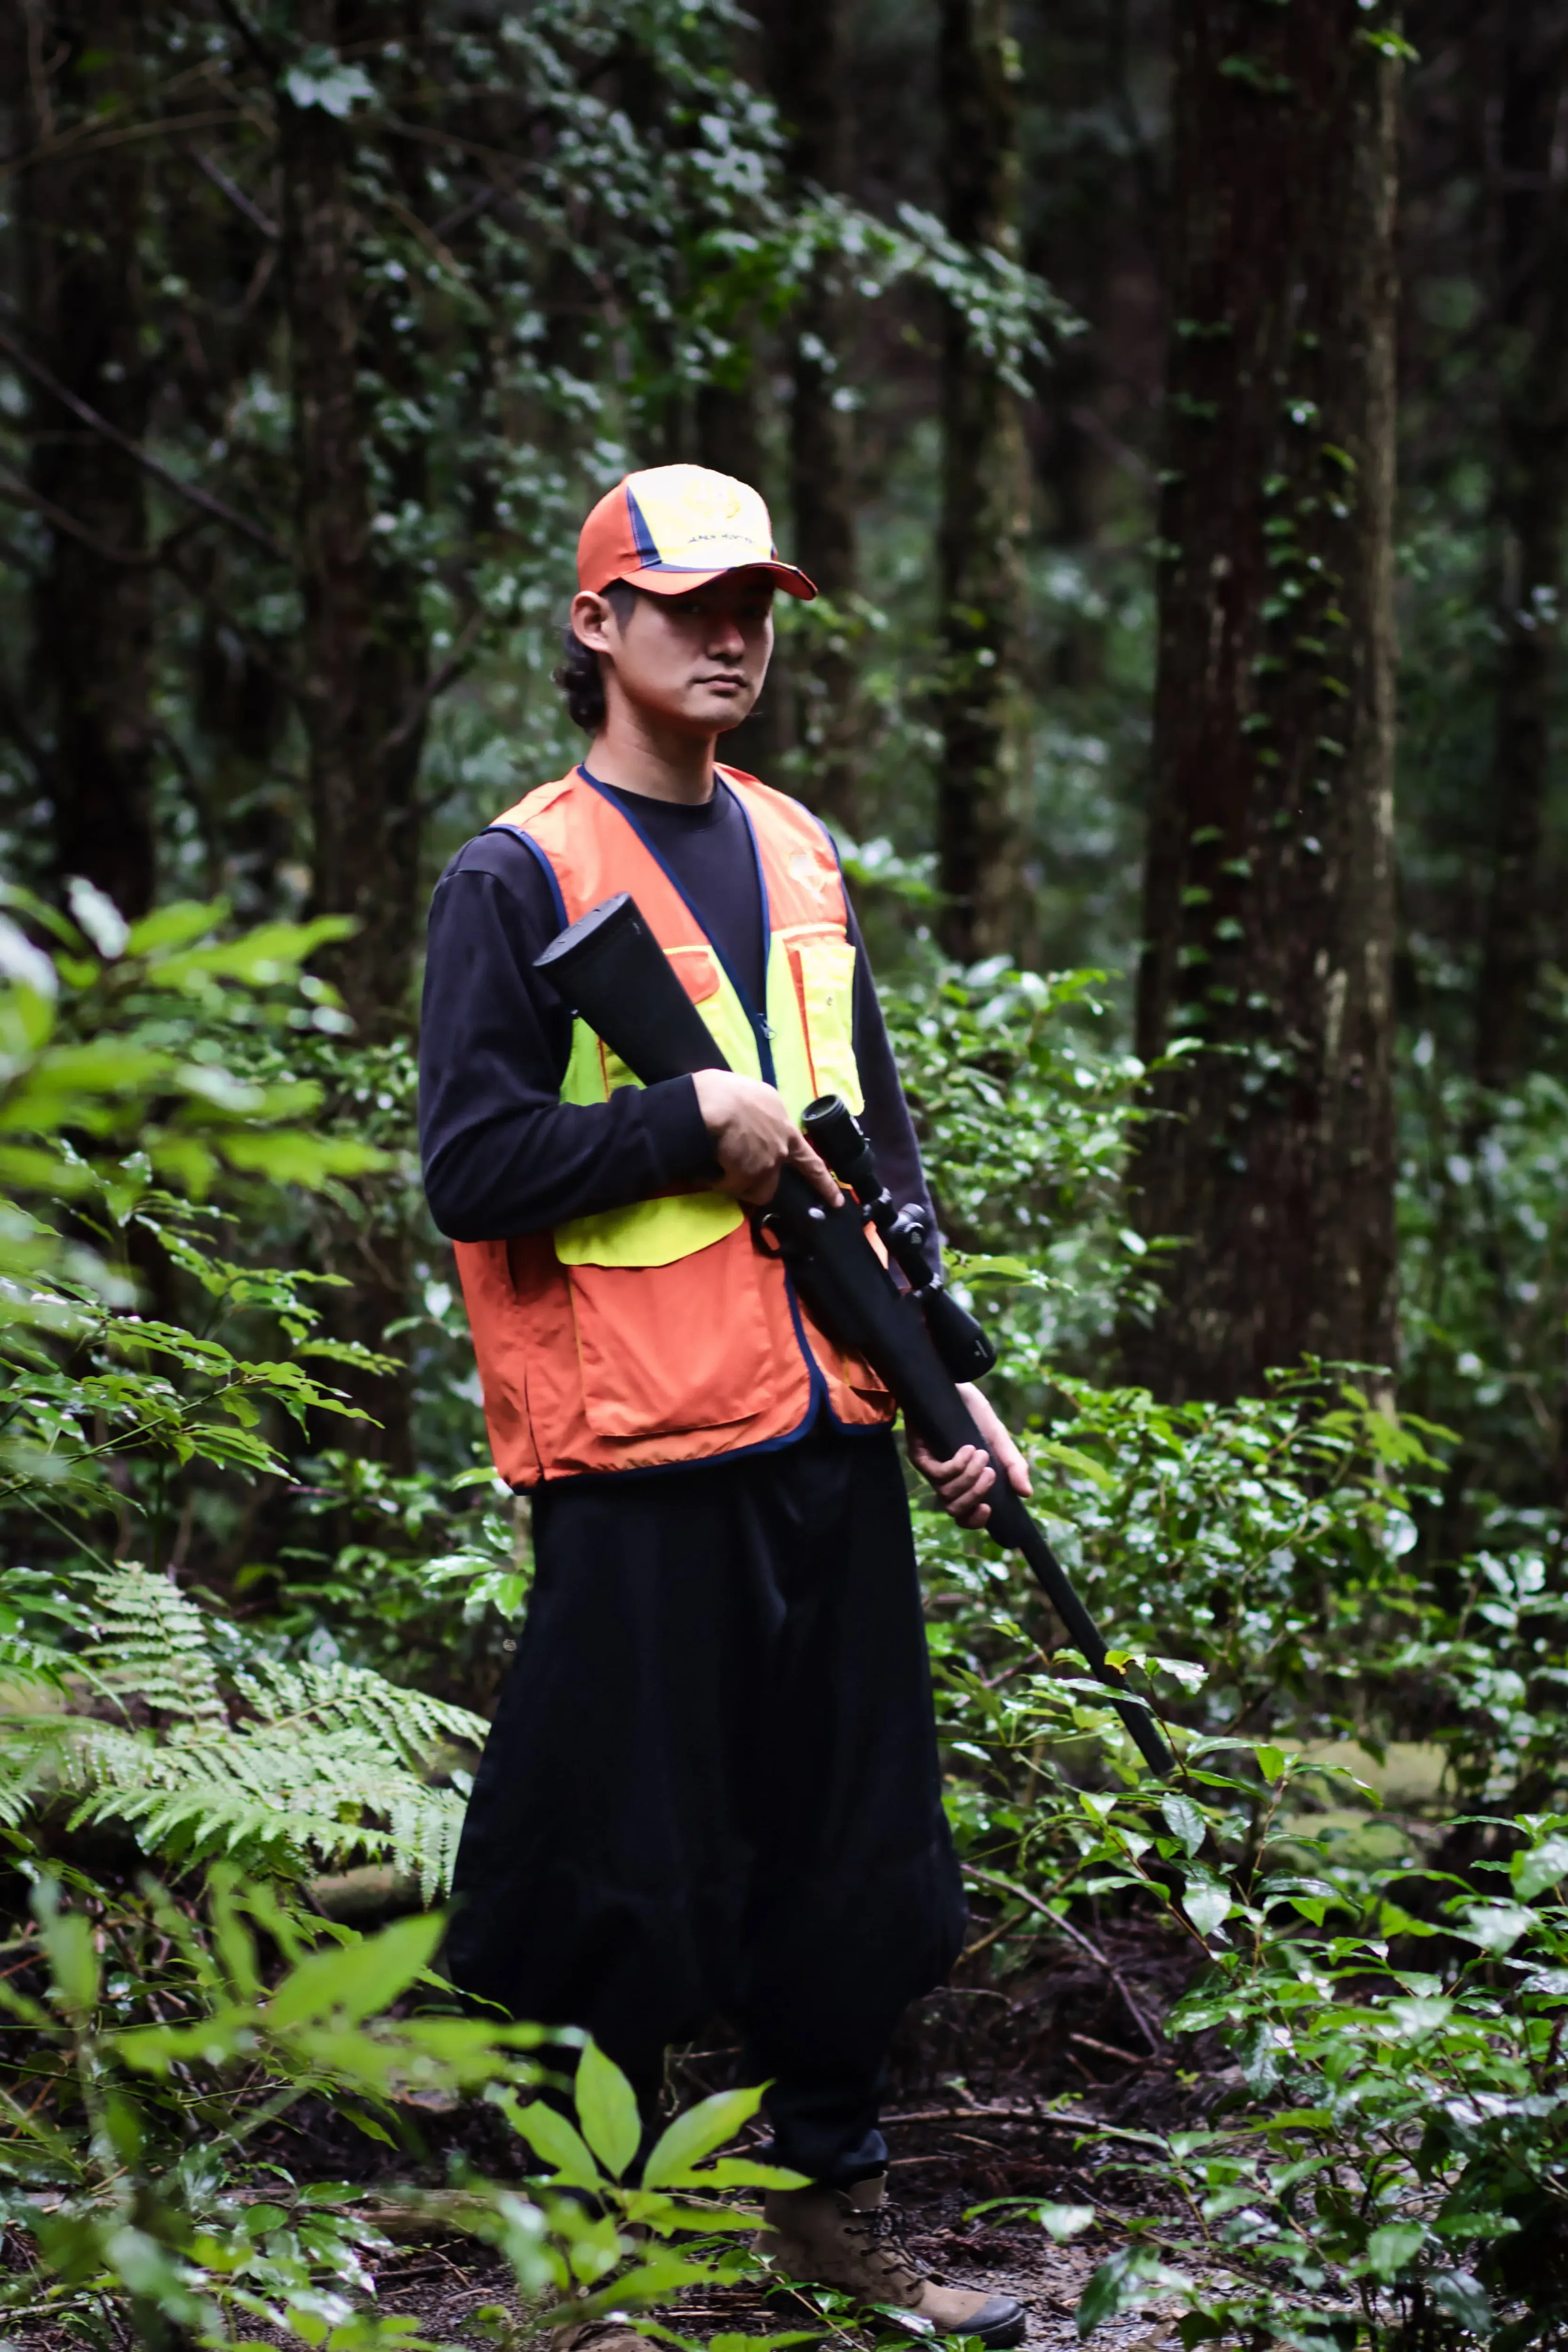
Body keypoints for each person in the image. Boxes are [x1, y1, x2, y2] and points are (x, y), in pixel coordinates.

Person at [419, 464, 1032, 2345]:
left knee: (859, 1856)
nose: (731, 635)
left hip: (828, 1422)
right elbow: (471, 1165)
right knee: (616, 1874)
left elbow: (875, 1146)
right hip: (637, 1450)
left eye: (752, 603)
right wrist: (681, 1118)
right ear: (596, 623)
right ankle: (580, 2263)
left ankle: (827, 2210)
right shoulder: (518, 874)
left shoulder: (797, 848)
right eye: (688, 603)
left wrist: (949, 1381)